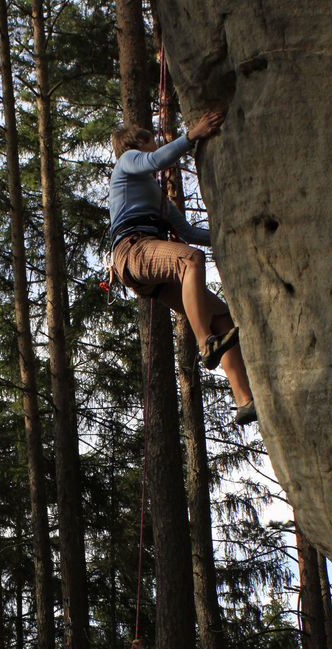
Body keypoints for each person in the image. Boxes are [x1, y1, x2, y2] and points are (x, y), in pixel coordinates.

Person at [109, 114, 257, 427]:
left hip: (147, 269)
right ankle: (206, 344)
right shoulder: (127, 162)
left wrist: (230, 234)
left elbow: (188, 232)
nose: (156, 146)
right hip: (132, 250)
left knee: (220, 315)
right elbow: (153, 161)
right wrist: (192, 136)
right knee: (191, 260)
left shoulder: (157, 199)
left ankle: (244, 399)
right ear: (136, 144)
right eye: (150, 141)